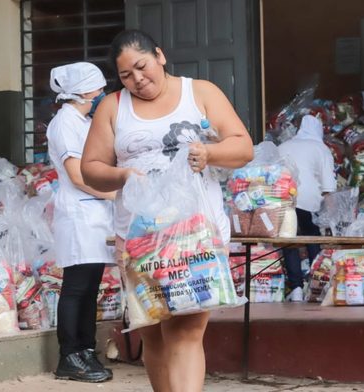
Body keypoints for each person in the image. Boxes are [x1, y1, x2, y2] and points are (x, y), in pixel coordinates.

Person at [80, 29, 253, 391]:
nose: (138, 80)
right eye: (126, 75)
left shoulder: (200, 92)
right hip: (140, 240)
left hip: (197, 234)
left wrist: (209, 153)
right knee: (155, 333)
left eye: (142, 67)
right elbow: (91, 168)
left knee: (187, 329)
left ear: (159, 56)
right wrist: (123, 174)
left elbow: (242, 147)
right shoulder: (113, 107)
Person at [46, 62, 116, 383]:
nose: (102, 94)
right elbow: (77, 175)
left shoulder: (85, 121)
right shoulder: (64, 124)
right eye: (98, 90)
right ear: (85, 91)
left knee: (91, 287)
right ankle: (68, 355)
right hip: (78, 214)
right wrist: (115, 195)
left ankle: (85, 350)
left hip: (95, 214)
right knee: (75, 287)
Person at [277, 114, 337, 302]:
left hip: (283, 199)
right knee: (312, 237)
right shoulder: (321, 148)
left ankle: (295, 287)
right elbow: (328, 188)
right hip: (309, 201)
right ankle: (316, 283)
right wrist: (332, 219)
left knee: (289, 240)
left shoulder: (283, 146)